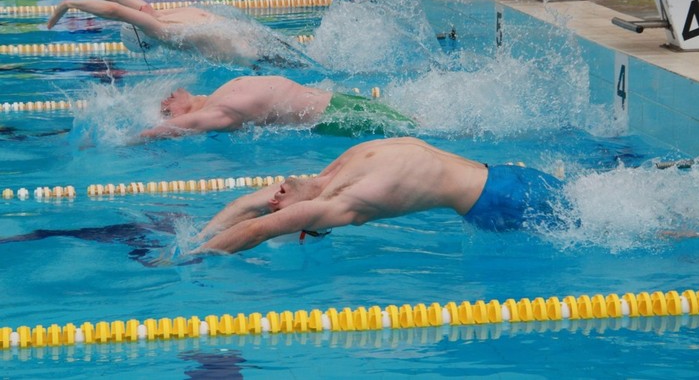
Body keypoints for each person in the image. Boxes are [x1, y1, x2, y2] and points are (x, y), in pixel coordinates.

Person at [196, 137, 565, 254]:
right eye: (278, 205)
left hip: (506, 175)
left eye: (275, 198)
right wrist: (197, 256)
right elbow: (260, 229)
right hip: (499, 204)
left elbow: (247, 205)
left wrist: (197, 238)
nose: (272, 198)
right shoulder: (342, 204)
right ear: (307, 220)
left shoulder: (337, 169)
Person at [41, 0, 275, 65]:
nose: (138, 9)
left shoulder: (157, 16)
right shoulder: (161, 30)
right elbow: (114, 10)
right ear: (142, 31)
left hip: (258, 42)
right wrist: (69, 3)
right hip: (257, 57)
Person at [139, 75, 416, 139]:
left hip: (339, 102)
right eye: (165, 105)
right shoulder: (218, 112)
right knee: (417, 130)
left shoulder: (215, 96)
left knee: (415, 122)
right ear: (177, 114)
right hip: (333, 117)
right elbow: (166, 130)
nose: (166, 98)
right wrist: (125, 142)